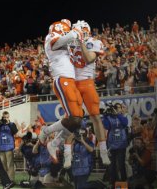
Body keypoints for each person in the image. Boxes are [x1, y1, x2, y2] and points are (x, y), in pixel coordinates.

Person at [39, 19, 86, 163]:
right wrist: (74, 33)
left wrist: (81, 38)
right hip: (62, 79)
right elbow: (57, 42)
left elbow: (81, 60)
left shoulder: (67, 43)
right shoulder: (50, 39)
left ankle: (53, 144)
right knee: (73, 117)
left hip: (72, 80)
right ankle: (46, 131)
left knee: (78, 118)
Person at [67, 20, 111, 167]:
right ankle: (67, 153)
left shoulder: (93, 42)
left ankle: (103, 151)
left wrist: (80, 43)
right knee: (72, 119)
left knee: (95, 116)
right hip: (73, 83)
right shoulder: (69, 43)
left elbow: (90, 58)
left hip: (87, 82)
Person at [103, 102, 128, 186]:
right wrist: (105, 116)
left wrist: (118, 114)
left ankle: (124, 183)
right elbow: (106, 126)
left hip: (121, 145)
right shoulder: (109, 117)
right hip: (112, 146)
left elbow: (125, 123)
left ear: (121, 109)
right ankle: (113, 184)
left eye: (118, 107)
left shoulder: (123, 117)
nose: (116, 109)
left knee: (121, 165)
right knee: (112, 166)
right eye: (115, 107)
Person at [0, 111, 18, 181]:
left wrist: (8, 123)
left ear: (9, 117)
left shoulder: (12, 124)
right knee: (3, 165)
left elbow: (15, 131)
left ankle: (11, 179)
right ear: (2, 117)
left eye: (7, 117)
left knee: (10, 165)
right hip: (1, 148)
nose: (5, 119)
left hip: (9, 147)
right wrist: (0, 124)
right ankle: (4, 179)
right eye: (4, 117)